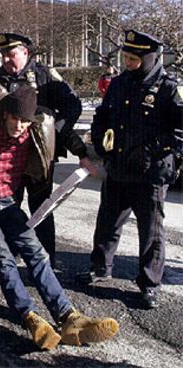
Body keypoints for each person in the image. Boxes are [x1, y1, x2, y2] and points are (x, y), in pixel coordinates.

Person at [0, 84, 118, 350]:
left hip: (8, 202)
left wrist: (82, 156)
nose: (20, 125)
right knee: (3, 257)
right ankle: (30, 317)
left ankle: (69, 317)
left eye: (25, 121)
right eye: (15, 119)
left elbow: (64, 133)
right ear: (6, 113)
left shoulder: (37, 123)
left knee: (37, 253)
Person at [79, 30, 183, 309]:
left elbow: (180, 132)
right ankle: (100, 267)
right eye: (125, 57)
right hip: (119, 168)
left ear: (149, 58)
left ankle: (149, 284)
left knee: (151, 232)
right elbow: (102, 116)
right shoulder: (119, 83)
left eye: (133, 58)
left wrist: (152, 150)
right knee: (107, 222)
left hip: (150, 174)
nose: (127, 62)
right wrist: (100, 141)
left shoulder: (168, 88)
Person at [0, 32, 97, 268]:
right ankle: (8, 256)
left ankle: (47, 258)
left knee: (42, 208)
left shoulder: (44, 76)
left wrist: (55, 130)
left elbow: (72, 105)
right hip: (7, 158)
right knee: (6, 206)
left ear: (25, 53)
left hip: (39, 156)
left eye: (11, 53)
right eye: (3, 54)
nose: (6, 59)